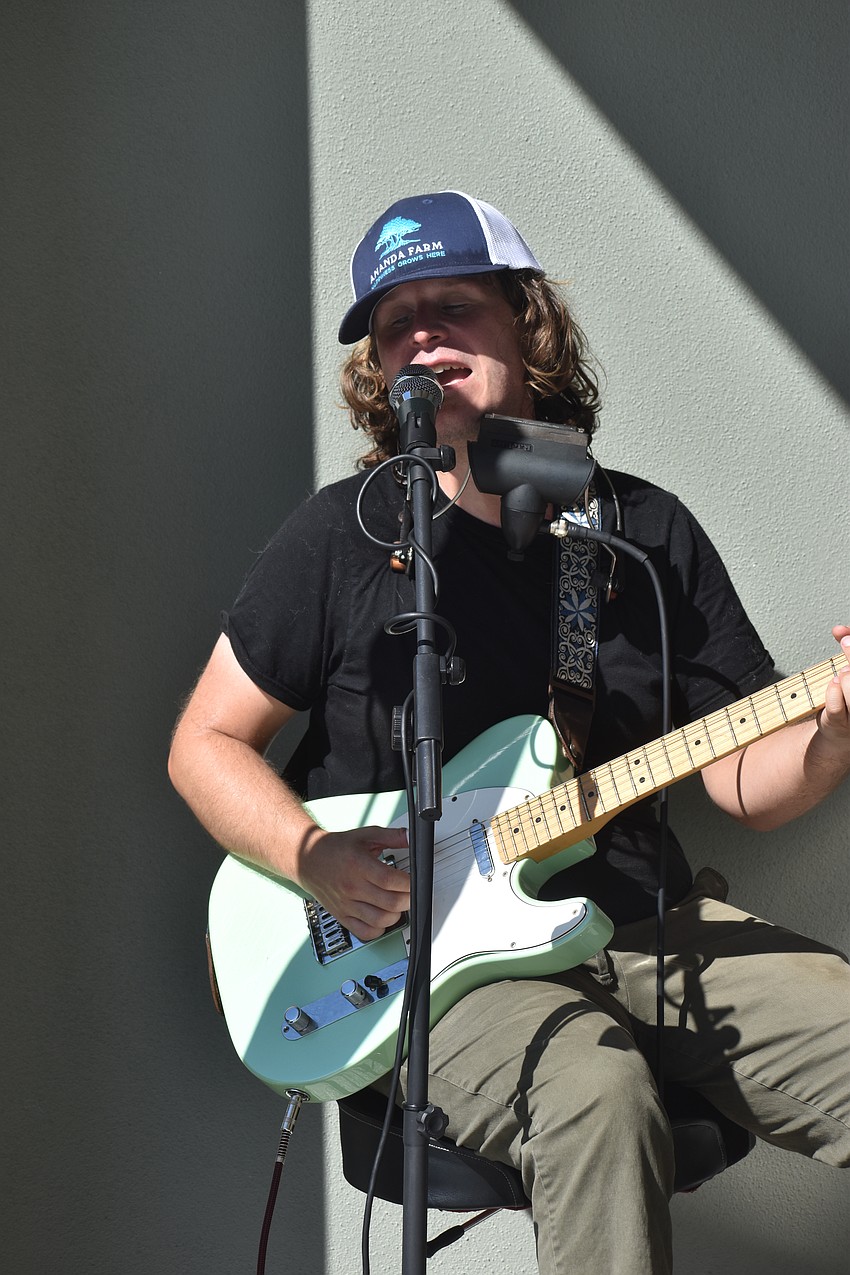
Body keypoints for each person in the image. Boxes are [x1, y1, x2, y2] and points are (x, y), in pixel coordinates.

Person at [168, 191, 850, 1274]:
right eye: (396, 326)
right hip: (433, 968)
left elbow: (738, 778)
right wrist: (313, 855)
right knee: (593, 1087)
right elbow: (203, 742)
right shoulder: (339, 539)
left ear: (528, 328)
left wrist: (829, 733)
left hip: (644, 928)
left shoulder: (639, 532)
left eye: (454, 308)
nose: (423, 337)